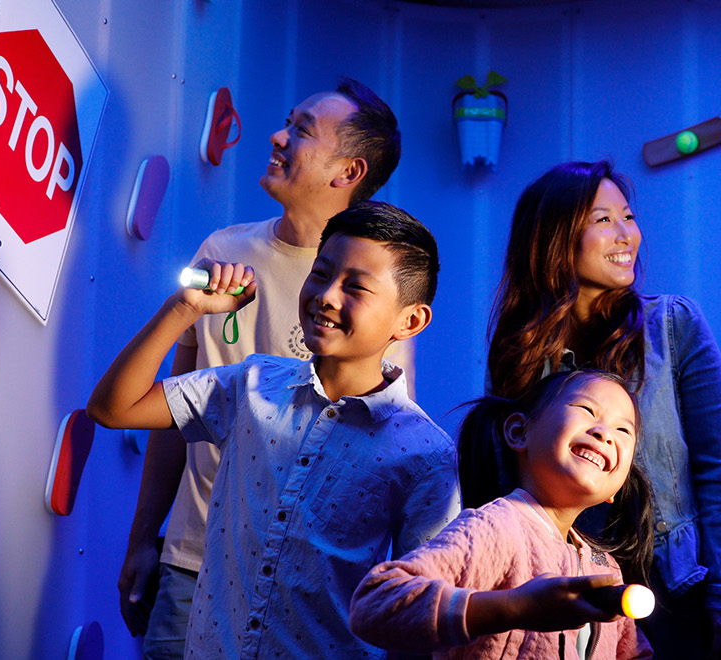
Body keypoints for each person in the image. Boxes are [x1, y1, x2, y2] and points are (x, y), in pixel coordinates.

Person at [115, 77, 405, 660]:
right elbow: (171, 411)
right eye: (288, 122)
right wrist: (145, 536)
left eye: (302, 130)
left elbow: (379, 452)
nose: (276, 136)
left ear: (349, 172)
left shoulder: (380, 295)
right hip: (192, 561)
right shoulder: (222, 251)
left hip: (300, 580)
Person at [89, 202, 457, 660]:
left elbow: (416, 614)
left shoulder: (424, 455)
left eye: (356, 287)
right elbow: (111, 408)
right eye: (320, 274)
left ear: (411, 321)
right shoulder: (250, 385)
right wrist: (185, 307)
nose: (327, 295)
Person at [487, 161, 721, 656]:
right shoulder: (521, 350)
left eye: (628, 217)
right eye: (603, 220)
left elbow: (719, 475)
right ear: (554, 237)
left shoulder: (673, 325)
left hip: (675, 586)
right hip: (566, 584)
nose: (627, 235)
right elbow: (506, 484)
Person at [349, 369, 655, 659]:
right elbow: (374, 604)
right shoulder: (496, 527)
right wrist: (515, 608)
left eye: (623, 430)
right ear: (519, 432)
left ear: (617, 488)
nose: (605, 433)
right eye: (587, 410)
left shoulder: (606, 569)